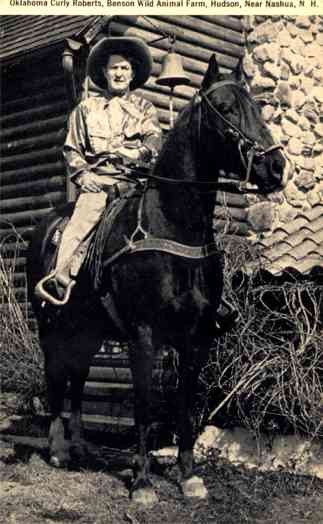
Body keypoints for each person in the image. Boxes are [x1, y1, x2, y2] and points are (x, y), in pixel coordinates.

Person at [35, 37, 162, 305]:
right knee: (81, 221)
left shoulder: (145, 108)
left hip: (136, 182)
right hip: (100, 183)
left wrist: (141, 152)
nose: (118, 74)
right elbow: (72, 149)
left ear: (133, 74)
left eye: (124, 68)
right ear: (104, 73)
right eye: (113, 68)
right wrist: (85, 176)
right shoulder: (86, 109)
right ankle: (59, 279)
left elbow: (154, 139)